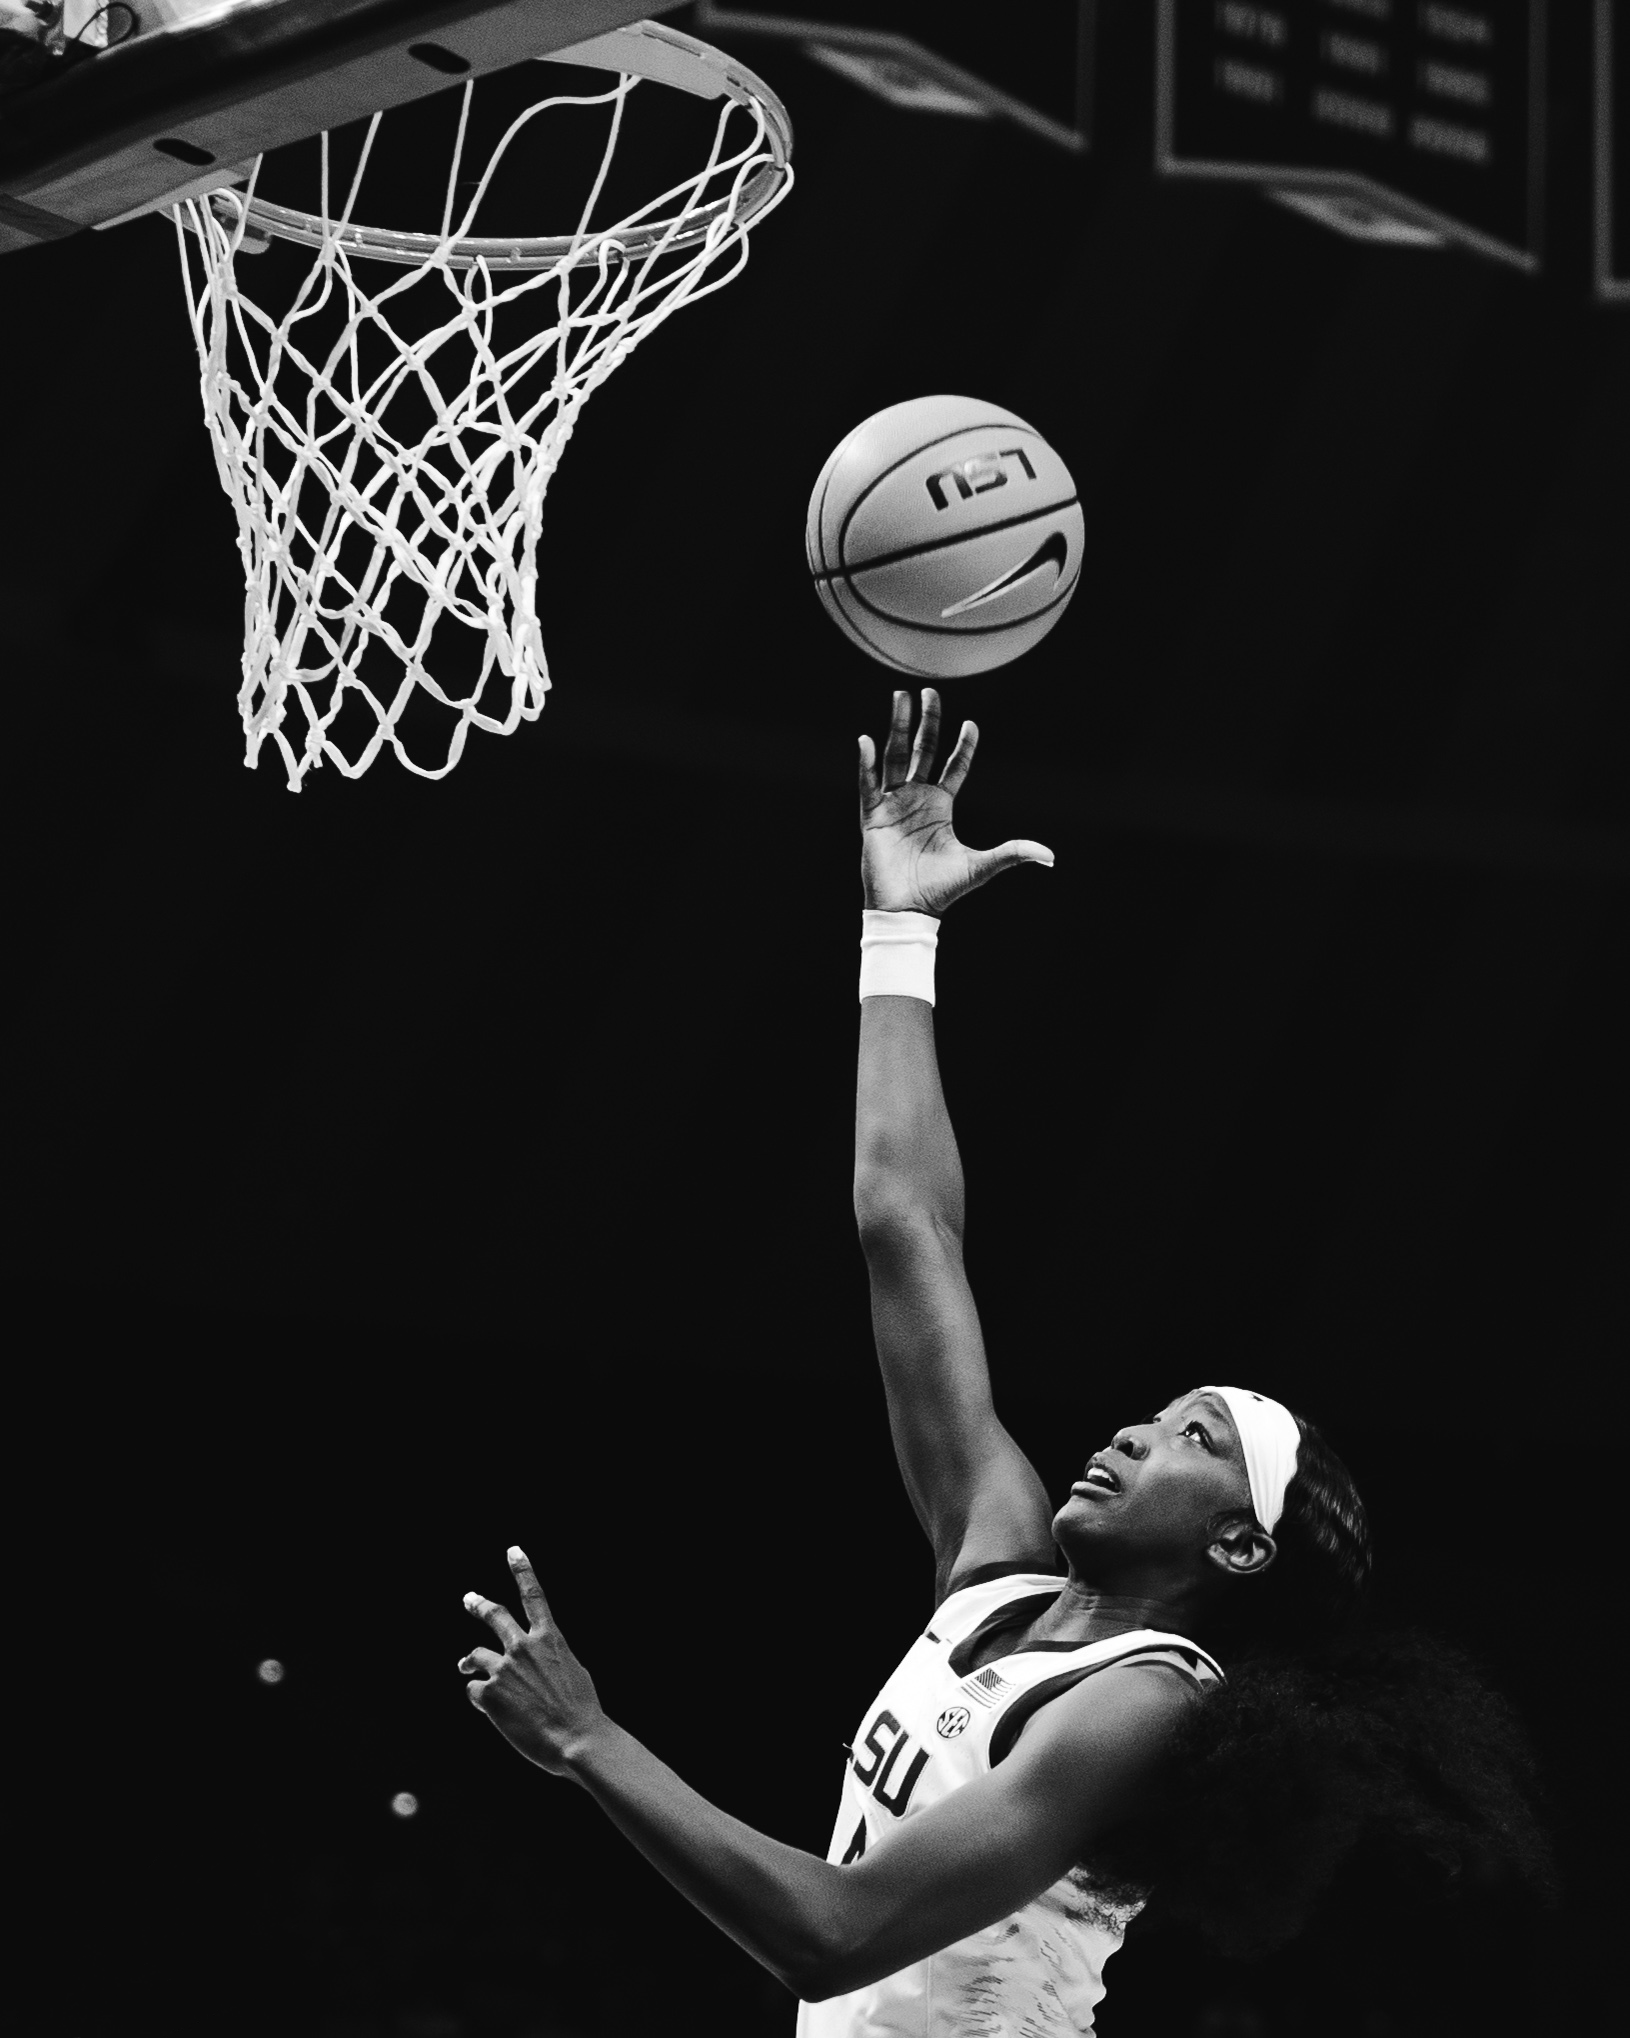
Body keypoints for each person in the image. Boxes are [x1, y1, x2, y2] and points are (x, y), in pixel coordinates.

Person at [457, 689, 1555, 2033]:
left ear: (1239, 1547)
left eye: (1195, 1438)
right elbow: (903, 1222)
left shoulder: (1145, 1703)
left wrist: (590, 1740)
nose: (1136, 1432)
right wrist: (900, 927)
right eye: (1159, 1411)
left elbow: (831, 1934)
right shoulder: (999, 1565)